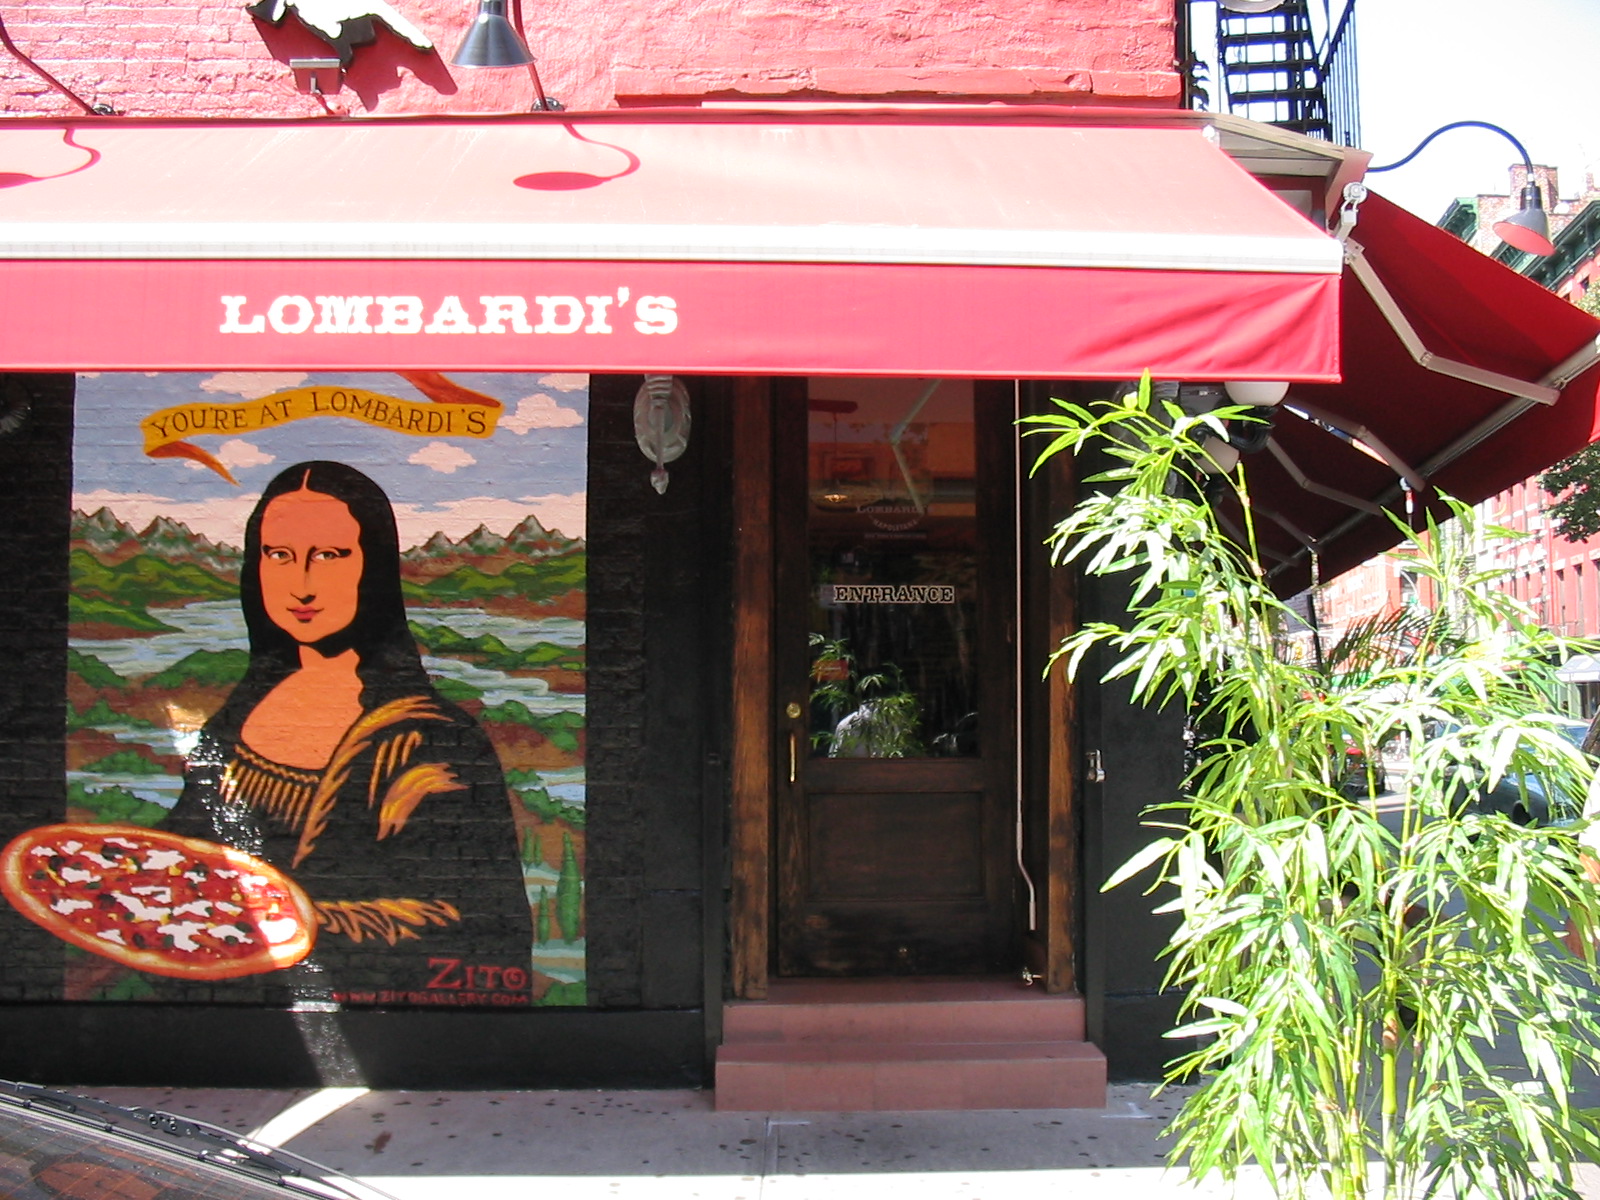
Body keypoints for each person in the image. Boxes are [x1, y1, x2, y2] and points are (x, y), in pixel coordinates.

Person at [167, 461, 533, 1003]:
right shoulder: (239, 715)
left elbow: (471, 919)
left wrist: (290, 920)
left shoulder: (434, 741)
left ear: (373, 566)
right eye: (279, 555)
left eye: (330, 556)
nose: (302, 584)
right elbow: (180, 854)